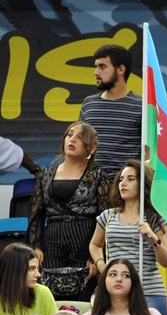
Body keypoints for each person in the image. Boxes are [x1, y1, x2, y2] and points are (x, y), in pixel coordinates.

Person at [27, 121, 112, 301]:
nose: (72, 139)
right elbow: (36, 214)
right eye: (69, 134)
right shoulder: (46, 174)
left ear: (92, 147)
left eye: (80, 137)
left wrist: (96, 255)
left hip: (85, 240)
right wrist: (36, 246)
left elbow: (106, 218)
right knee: (51, 296)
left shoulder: (98, 176)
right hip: (52, 241)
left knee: (82, 297)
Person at [89, 160, 167, 315]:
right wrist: (103, 267)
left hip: (148, 292)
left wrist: (153, 238)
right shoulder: (108, 216)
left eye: (130, 179)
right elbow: (94, 244)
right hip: (116, 290)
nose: (123, 183)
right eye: (121, 179)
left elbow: (166, 261)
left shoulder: (155, 218)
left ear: (142, 184)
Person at [80, 44, 142, 178]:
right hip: (90, 187)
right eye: (96, 67)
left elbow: (150, 153)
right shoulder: (88, 104)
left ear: (120, 69)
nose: (96, 72)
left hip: (125, 189)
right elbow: (81, 147)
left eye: (102, 67)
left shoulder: (142, 106)